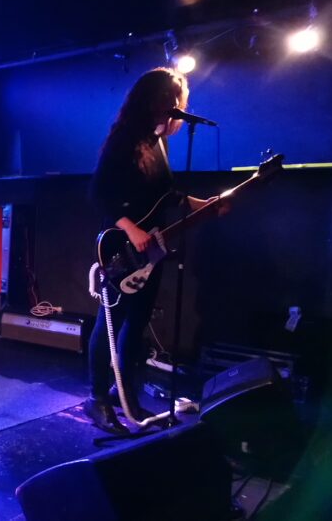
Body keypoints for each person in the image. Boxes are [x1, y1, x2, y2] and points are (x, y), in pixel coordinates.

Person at [84, 67, 224, 435]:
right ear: (152, 98)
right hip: (120, 246)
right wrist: (131, 228)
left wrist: (202, 205)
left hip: (153, 249)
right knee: (110, 322)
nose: (176, 105)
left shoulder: (158, 142)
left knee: (137, 322)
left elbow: (167, 195)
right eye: (171, 98)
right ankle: (96, 397)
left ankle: (124, 391)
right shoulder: (124, 139)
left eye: (179, 99)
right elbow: (98, 193)